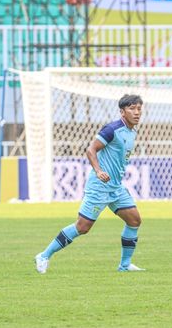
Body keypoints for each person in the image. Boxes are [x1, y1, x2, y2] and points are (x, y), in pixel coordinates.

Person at [34, 94, 145, 274]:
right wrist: (99, 170)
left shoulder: (132, 132)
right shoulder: (112, 129)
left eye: (139, 108)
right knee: (82, 227)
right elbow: (91, 149)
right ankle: (44, 256)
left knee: (134, 220)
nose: (137, 112)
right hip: (99, 186)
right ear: (122, 112)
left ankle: (124, 265)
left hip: (115, 187)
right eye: (132, 109)